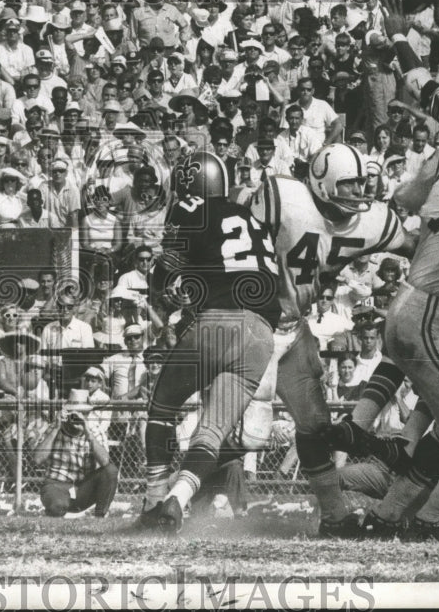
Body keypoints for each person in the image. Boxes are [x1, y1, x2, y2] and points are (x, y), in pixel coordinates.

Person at [248, 143, 413, 537]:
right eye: (349, 184)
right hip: (251, 323)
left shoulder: (372, 221)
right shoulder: (284, 198)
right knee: (237, 429)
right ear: (321, 184)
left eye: (362, 184)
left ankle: (335, 517)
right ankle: (175, 500)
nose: (360, 193)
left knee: (316, 425)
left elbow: (415, 247)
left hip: (292, 325)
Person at [139, 151, 278, 533]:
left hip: (219, 320)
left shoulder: (189, 207)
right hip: (264, 332)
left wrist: (165, 287)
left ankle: (153, 500)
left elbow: (164, 274)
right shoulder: (255, 219)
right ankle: (177, 501)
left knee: (161, 408)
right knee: (212, 431)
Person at [32, 389, 118, 518]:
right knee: (57, 505)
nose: (77, 416)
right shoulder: (55, 427)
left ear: (87, 414)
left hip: (84, 487)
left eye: (82, 412)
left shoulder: (94, 430)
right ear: (67, 412)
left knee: (111, 471)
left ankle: (100, 516)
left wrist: (88, 433)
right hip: (57, 484)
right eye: (74, 412)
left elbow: (105, 462)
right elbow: (37, 459)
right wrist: (56, 428)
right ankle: (55, 511)